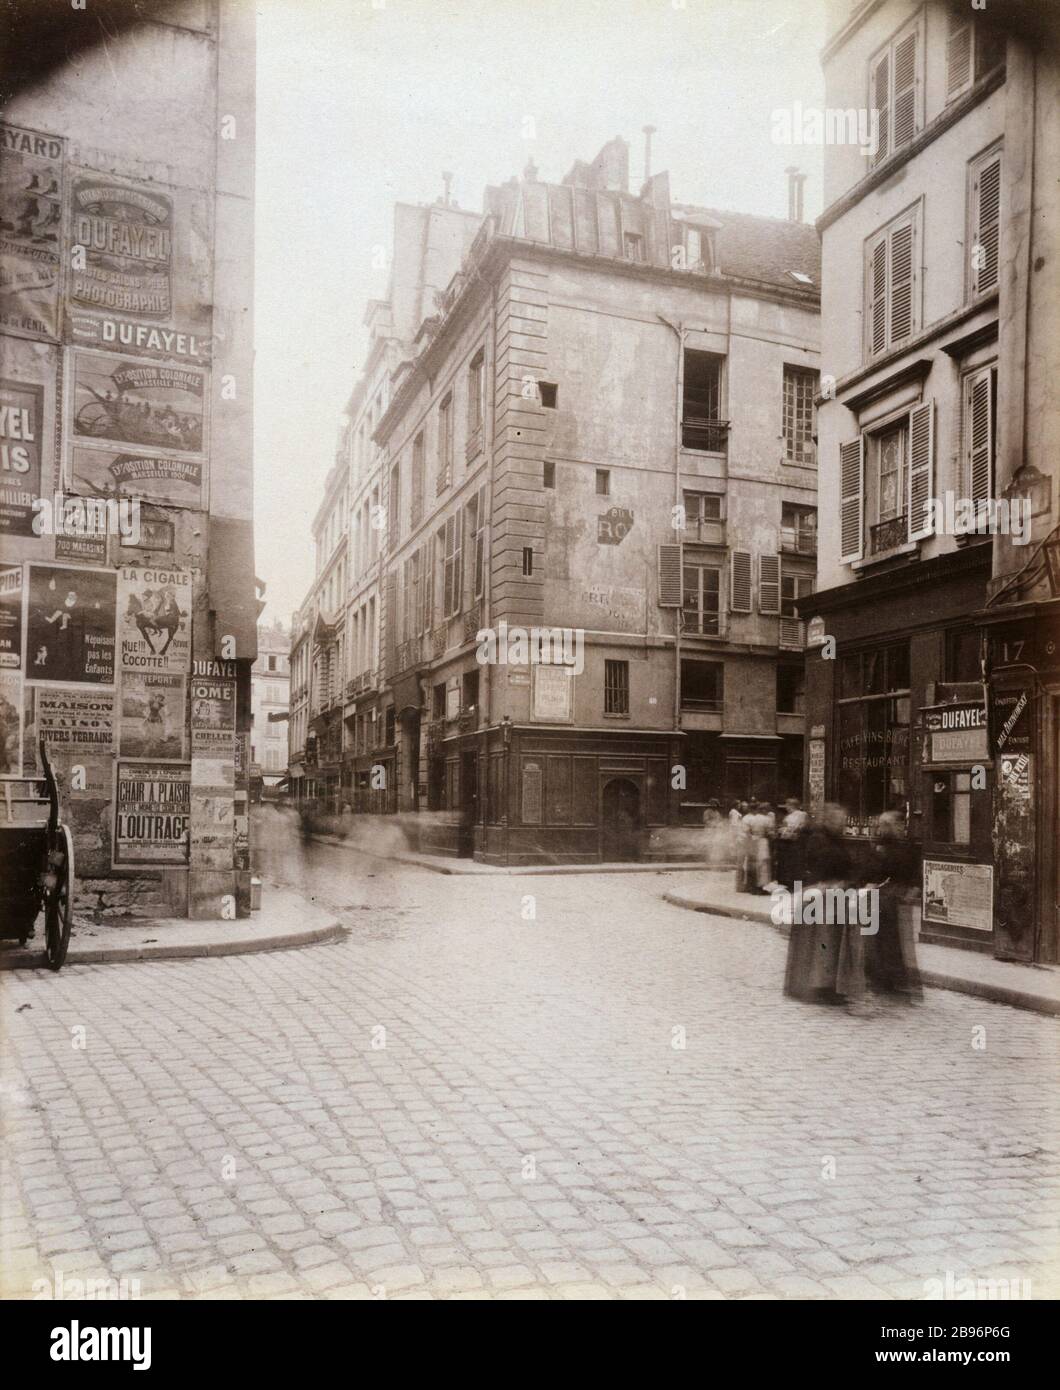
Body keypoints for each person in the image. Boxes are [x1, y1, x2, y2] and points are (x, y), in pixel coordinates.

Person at [783, 802, 856, 1006]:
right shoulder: (818, 839)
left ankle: (828, 985)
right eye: (838, 819)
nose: (841, 823)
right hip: (820, 896)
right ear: (828, 819)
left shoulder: (834, 839)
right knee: (821, 942)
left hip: (834, 896)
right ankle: (820, 986)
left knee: (830, 942)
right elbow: (818, 864)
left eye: (842, 820)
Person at [863, 810, 922, 1003]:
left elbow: (914, 870)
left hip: (896, 897)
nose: (882, 829)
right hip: (885, 897)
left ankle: (896, 981)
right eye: (882, 826)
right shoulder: (883, 846)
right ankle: (884, 980)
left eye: (885, 826)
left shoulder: (904, 846)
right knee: (883, 940)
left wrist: (914, 888)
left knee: (896, 941)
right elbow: (873, 873)